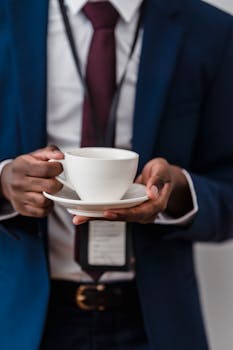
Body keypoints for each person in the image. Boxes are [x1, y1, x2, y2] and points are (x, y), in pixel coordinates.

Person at [0, 0, 233, 349]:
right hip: (23, 321)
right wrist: (4, 183)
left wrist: (180, 191)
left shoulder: (211, 30)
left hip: (155, 323)